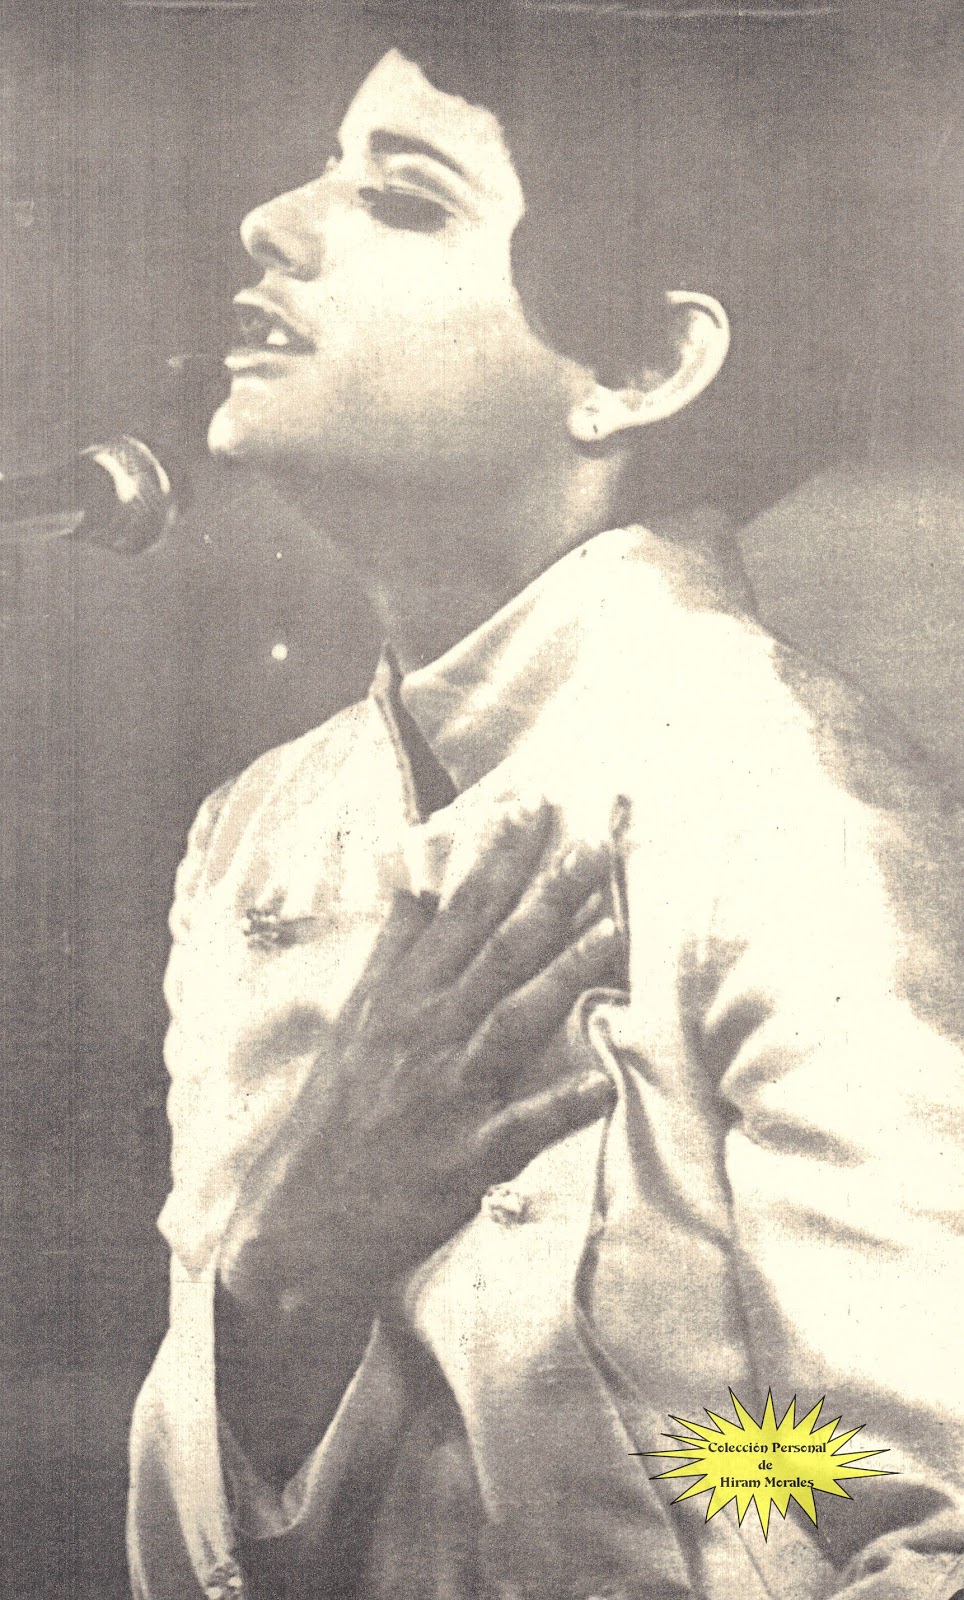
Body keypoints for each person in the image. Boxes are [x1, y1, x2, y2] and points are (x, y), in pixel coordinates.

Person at [128, 6, 964, 1598]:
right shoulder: (254, 837)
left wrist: (722, 1486)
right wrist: (288, 1271)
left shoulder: (787, 804)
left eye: (402, 196)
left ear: (640, 368)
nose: (272, 223)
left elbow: (926, 1514)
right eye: (322, 167)